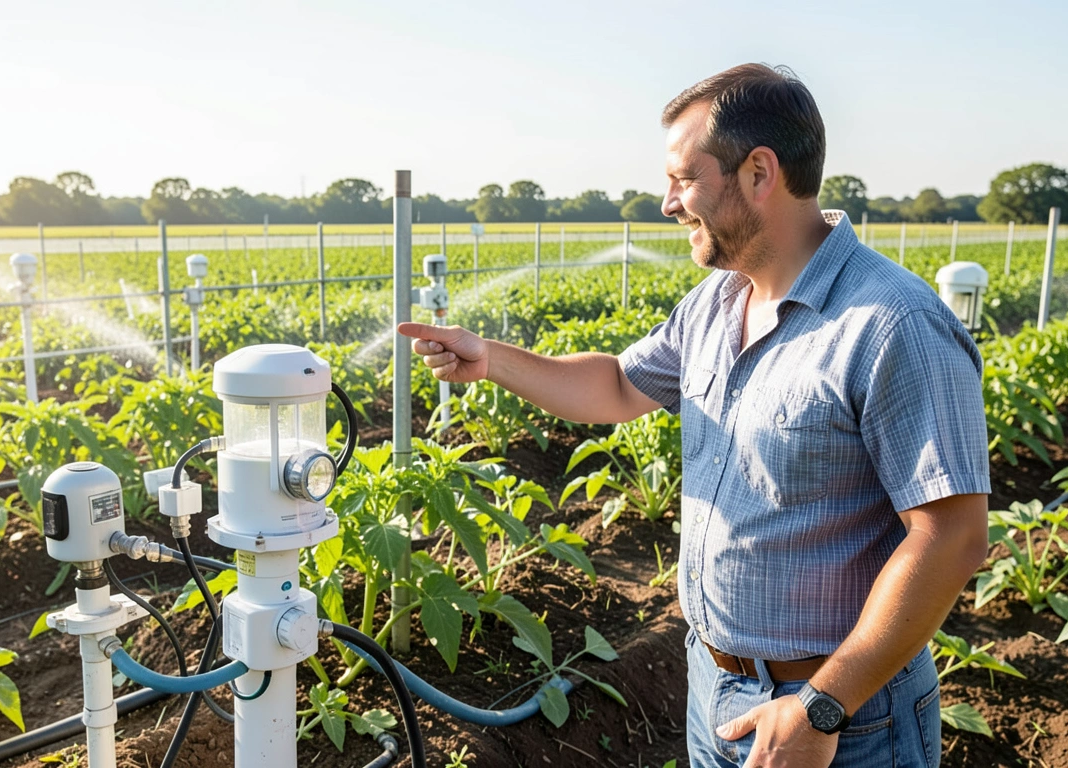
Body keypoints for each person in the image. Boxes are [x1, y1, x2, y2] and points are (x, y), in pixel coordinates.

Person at [398, 63, 989, 768]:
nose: (668, 203)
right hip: (716, 685)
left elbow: (951, 535)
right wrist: (489, 358)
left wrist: (823, 705)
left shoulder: (892, 324)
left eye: (684, 179)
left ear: (758, 173)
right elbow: (618, 385)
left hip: (842, 718)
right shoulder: (717, 302)